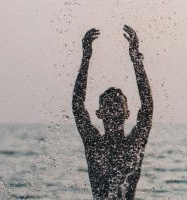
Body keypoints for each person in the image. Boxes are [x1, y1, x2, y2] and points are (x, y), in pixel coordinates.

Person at [72, 25, 153, 200]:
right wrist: (85, 58)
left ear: (127, 113)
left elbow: (147, 107)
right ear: (99, 113)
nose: (113, 108)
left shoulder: (134, 144)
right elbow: (78, 105)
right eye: (108, 105)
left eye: (118, 104)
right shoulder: (94, 143)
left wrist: (136, 61)